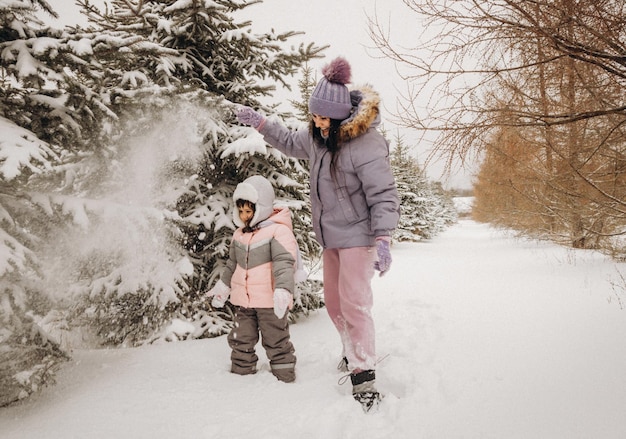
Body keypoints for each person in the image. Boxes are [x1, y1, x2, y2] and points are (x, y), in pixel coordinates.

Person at [236, 57, 400, 411]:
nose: (317, 122)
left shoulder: (366, 144)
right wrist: (261, 123)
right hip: (331, 238)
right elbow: (289, 141)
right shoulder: (316, 137)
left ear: (341, 115)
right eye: (314, 115)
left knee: (355, 303)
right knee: (334, 302)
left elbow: (384, 194)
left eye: (324, 117)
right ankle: (349, 347)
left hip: (359, 236)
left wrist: (383, 238)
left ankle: (364, 374)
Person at [206, 175, 298, 383]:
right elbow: (232, 264)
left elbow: (284, 262)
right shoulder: (239, 234)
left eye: (249, 211)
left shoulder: (278, 231)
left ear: (262, 207)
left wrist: (283, 289)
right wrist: (224, 285)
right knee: (241, 338)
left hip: (269, 302)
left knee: (276, 339)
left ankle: (285, 378)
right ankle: (241, 377)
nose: (244, 216)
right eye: (241, 211)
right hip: (244, 303)